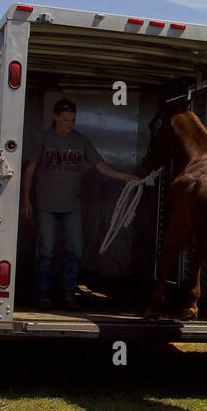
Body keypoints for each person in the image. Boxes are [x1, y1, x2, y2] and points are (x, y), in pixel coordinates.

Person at [21, 99, 135, 310]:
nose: (69, 124)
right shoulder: (43, 138)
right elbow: (30, 169)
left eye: (72, 120)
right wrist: (26, 199)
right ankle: (43, 295)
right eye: (65, 120)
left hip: (72, 206)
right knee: (47, 251)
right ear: (55, 117)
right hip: (46, 205)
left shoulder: (80, 141)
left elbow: (100, 166)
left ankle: (68, 294)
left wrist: (124, 177)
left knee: (75, 249)